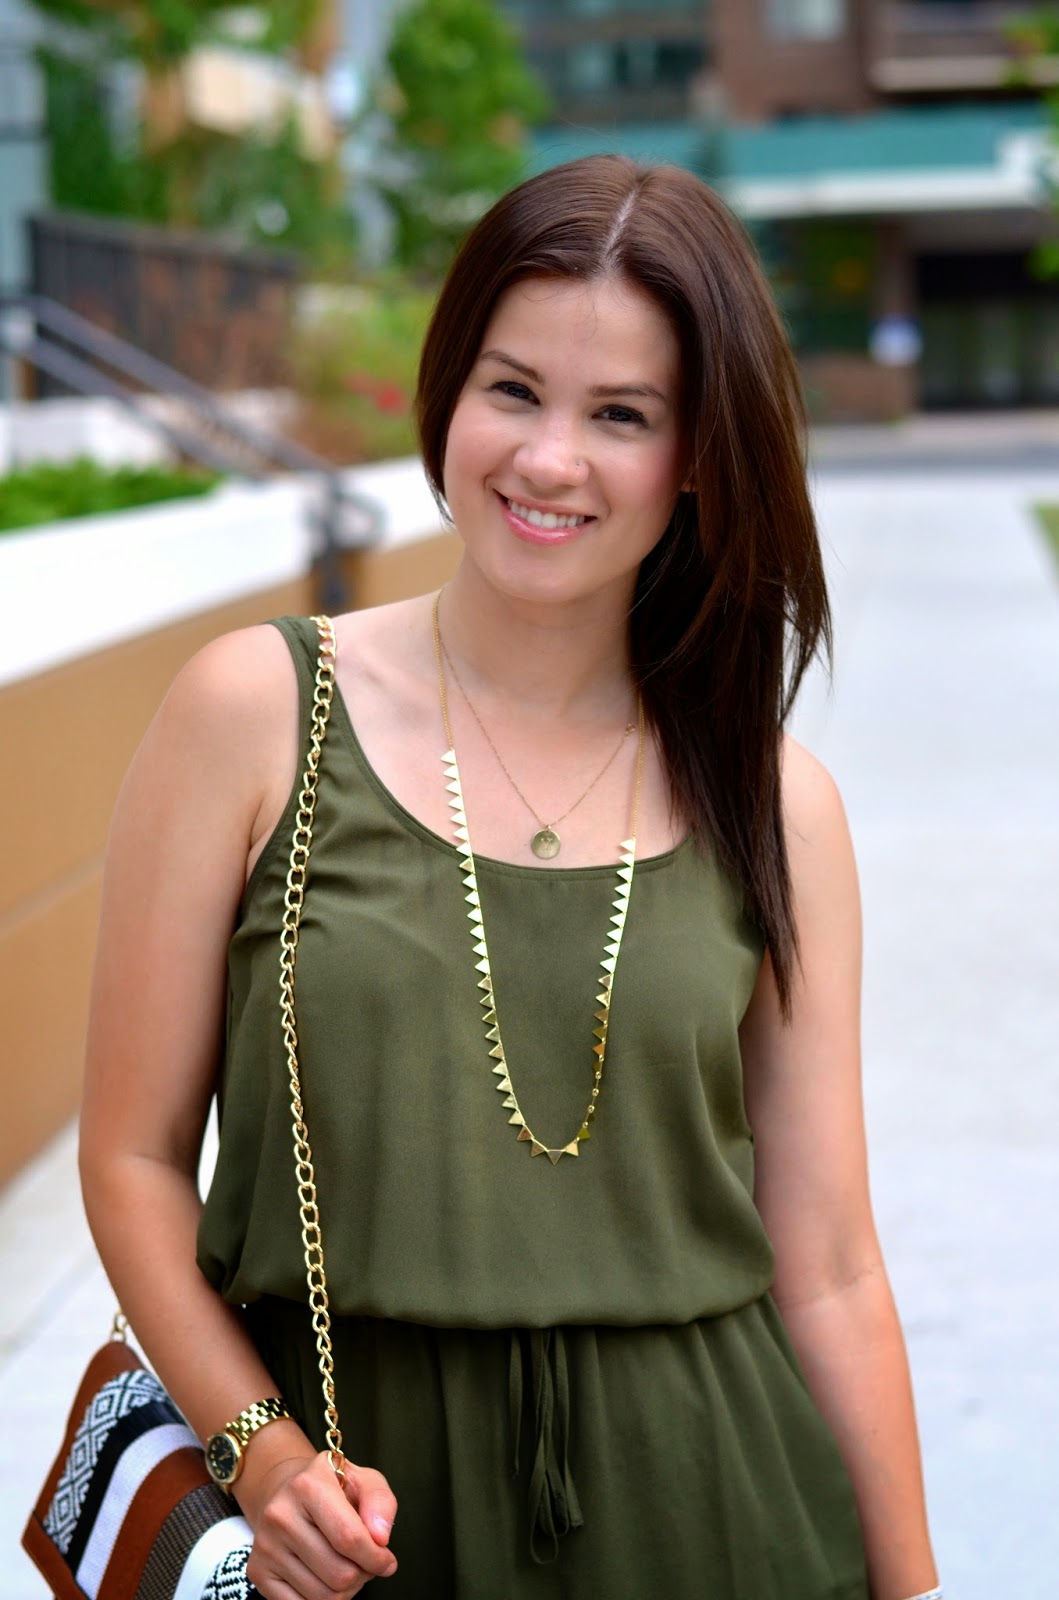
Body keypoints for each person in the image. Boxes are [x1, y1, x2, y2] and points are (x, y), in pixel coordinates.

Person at [79, 154, 940, 1600]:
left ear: (698, 455)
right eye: (514, 389)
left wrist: (912, 1587)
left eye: (622, 415)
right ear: (448, 392)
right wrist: (261, 1455)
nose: (548, 460)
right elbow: (134, 1156)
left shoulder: (776, 803)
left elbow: (834, 1264)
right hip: (347, 1533)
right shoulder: (256, 713)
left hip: (718, 1520)